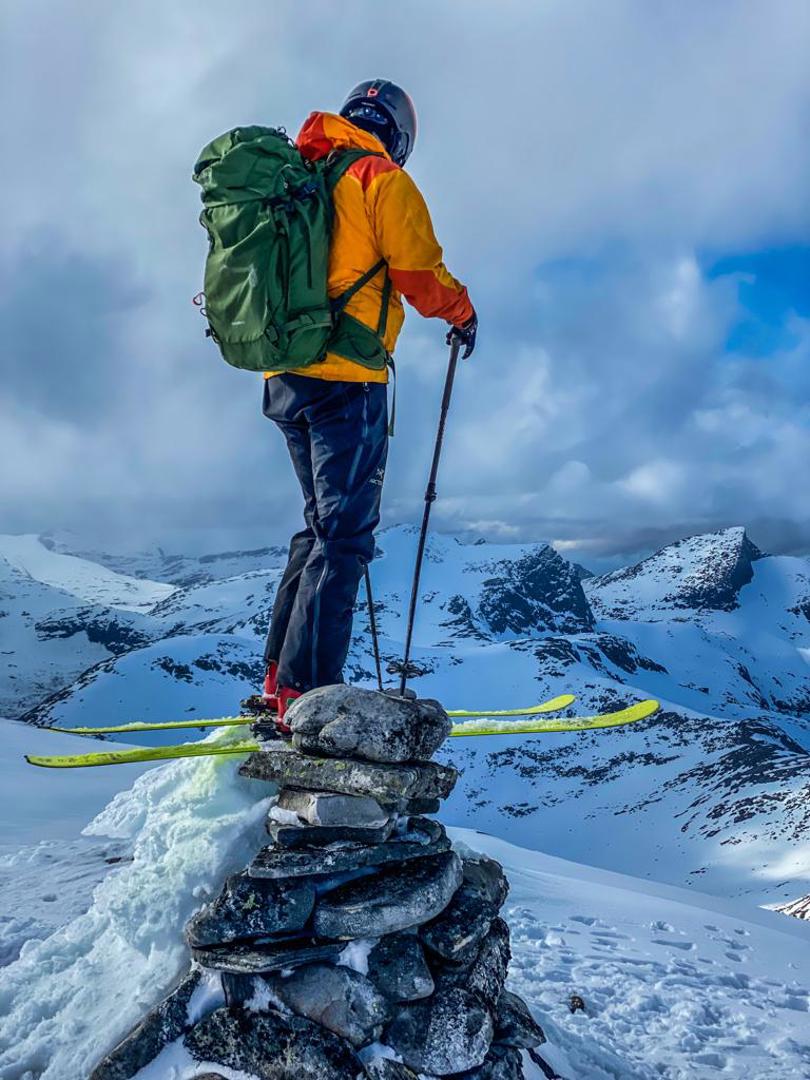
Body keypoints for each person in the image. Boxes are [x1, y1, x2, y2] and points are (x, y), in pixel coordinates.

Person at [262, 78, 477, 723]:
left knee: (318, 528)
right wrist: (461, 310)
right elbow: (417, 274)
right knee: (346, 538)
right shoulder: (377, 179)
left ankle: (280, 677)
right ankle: (308, 694)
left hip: (283, 373)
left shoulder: (303, 177)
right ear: (400, 134)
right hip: (347, 378)